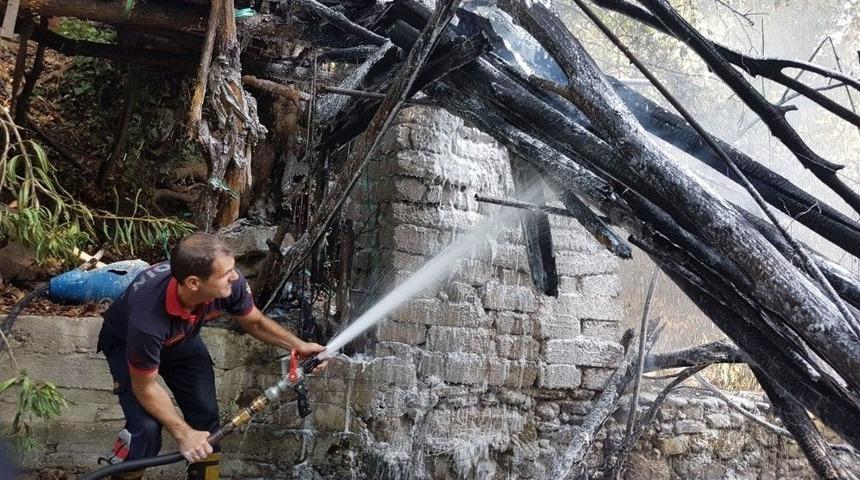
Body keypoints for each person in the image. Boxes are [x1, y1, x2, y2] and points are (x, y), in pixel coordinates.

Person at [96, 233, 325, 480]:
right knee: (145, 430)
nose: (236, 276)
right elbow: (146, 387)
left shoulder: (228, 284)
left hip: (182, 339)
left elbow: (255, 323)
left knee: (206, 420)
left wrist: (299, 346)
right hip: (126, 343)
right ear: (194, 283)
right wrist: (184, 435)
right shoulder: (147, 318)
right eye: (226, 273)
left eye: (232, 268)